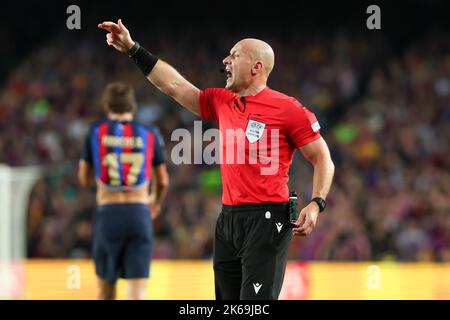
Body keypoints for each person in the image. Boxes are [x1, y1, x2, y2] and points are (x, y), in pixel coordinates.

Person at [98, 19, 334, 300]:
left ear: (257, 67)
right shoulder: (222, 101)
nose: (225, 61)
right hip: (228, 220)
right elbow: (174, 85)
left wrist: (317, 203)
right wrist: (133, 49)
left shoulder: (288, 109)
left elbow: (322, 158)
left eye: (234, 55)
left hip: (268, 219)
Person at [78, 82, 169, 300]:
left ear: (106, 105)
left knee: (106, 292)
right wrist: (154, 202)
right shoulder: (150, 133)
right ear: (133, 107)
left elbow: (84, 178)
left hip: (108, 213)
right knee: (138, 294)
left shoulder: (95, 131)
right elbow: (163, 181)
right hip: (139, 214)